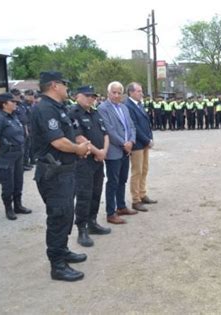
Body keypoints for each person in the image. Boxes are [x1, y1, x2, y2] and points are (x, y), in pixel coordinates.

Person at [31, 71, 90, 281]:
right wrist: (78, 149)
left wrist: (81, 145)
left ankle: (62, 250)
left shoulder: (58, 107)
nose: (67, 87)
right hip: (53, 174)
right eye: (65, 84)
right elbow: (58, 142)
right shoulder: (45, 108)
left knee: (66, 215)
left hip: (65, 171)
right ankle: (57, 265)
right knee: (58, 217)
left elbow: (70, 134)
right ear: (54, 85)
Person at [69, 86, 111, 247]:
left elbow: (105, 133)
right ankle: (82, 229)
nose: (91, 99)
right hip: (84, 161)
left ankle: (92, 222)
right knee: (84, 195)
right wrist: (97, 152)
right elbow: (78, 136)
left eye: (93, 96)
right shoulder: (73, 113)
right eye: (87, 96)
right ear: (77, 96)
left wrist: (104, 151)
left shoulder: (95, 112)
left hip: (98, 160)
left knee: (96, 192)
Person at [98, 82, 138, 225]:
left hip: (126, 150)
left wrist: (131, 141)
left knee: (122, 180)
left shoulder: (124, 107)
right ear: (108, 93)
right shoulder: (103, 108)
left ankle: (121, 206)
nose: (116, 95)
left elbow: (132, 126)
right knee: (113, 182)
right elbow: (109, 130)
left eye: (119, 93)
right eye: (113, 92)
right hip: (114, 151)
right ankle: (110, 212)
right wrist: (123, 143)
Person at [0, 93, 32, 220]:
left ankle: (18, 205)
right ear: (4, 104)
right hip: (6, 155)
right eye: (12, 101)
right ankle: (9, 208)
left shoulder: (14, 117)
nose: (15, 103)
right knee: (8, 184)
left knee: (18, 181)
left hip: (18, 154)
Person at [125, 82, 157, 212]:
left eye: (141, 91)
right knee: (136, 171)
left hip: (144, 143)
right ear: (131, 92)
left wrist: (150, 138)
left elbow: (146, 123)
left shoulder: (139, 104)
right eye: (139, 91)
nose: (141, 93)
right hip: (137, 143)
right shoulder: (128, 106)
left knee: (144, 169)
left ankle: (143, 194)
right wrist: (146, 139)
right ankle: (136, 199)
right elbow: (135, 127)